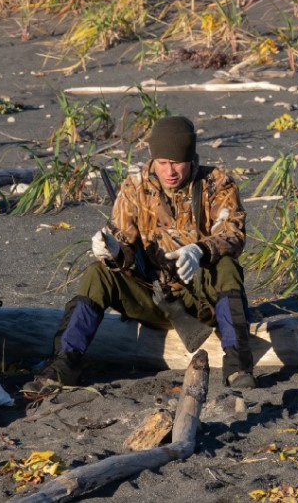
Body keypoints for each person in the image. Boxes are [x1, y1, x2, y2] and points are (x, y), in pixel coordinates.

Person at [27, 116, 256, 391]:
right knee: (98, 274)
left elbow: (234, 233)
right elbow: (122, 242)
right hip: (152, 297)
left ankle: (237, 365)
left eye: (177, 162)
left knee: (227, 267)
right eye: (162, 162)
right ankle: (64, 364)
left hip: (200, 300)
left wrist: (200, 250)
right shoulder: (135, 187)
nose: (169, 170)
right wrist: (112, 249)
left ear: (191, 158)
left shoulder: (217, 183)